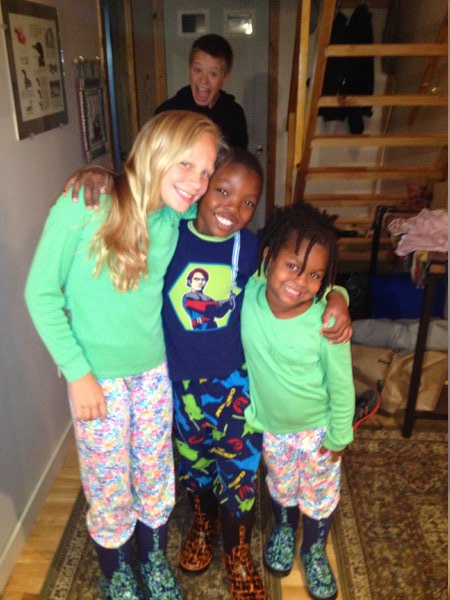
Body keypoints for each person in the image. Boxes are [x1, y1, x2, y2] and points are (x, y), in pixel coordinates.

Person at [24, 110, 224, 600]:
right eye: (186, 164)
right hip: (97, 380)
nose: (197, 182)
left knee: (155, 475)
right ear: (156, 151)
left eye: (205, 171)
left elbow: (222, 203)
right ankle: (116, 572)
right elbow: (40, 294)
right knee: (109, 485)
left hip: (152, 373)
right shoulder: (83, 204)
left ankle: (152, 558)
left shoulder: (173, 216)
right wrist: (77, 374)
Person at [161, 148, 353, 600]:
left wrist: (338, 296)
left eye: (249, 201)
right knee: (194, 467)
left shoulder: (250, 249)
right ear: (202, 186)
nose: (233, 207)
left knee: (239, 475)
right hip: (181, 387)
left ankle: (238, 552)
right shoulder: (166, 233)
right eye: (223, 191)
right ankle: (203, 524)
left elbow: (302, 277)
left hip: (237, 391)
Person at [241, 201, 355, 600]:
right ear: (268, 258)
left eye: (315, 275)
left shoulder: (327, 322)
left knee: (319, 498)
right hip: (273, 428)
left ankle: (314, 550)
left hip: (318, 431)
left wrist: (339, 436)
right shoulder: (249, 293)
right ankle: (285, 530)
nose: (301, 281)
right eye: (293, 266)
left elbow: (342, 387)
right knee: (282, 487)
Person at [155, 33, 248, 149]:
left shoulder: (234, 115)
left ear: (225, 76)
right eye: (198, 70)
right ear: (190, 69)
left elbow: (239, 158)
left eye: (213, 74)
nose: (203, 80)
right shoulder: (167, 114)